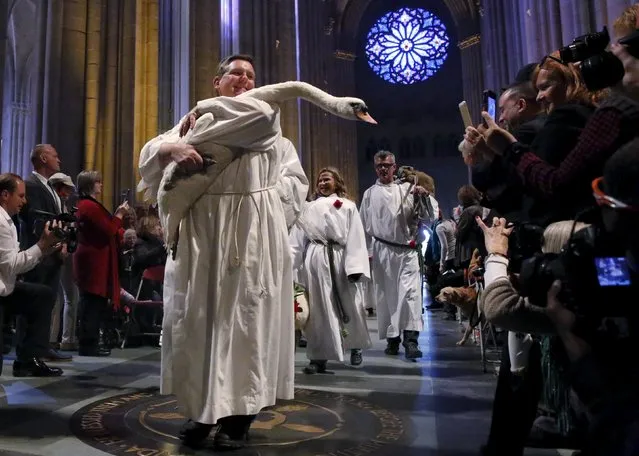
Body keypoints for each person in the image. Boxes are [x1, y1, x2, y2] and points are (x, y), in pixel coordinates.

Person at [137, 54, 309, 450]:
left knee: (246, 325)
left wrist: (259, 209)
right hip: (201, 237)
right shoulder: (195, 122)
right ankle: (201, 411)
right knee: (200, 323)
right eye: (236, 73)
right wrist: (172, 151)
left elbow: (295, 186)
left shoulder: (275, 135)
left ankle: (238, 418)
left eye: (251, 75)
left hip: (251, 240)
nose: (244, 80)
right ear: (217, 83)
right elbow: (149, 154)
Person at [290, 167, 371, 372]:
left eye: (327, 179)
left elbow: (356, 237)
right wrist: (289, 265)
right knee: (319, 309)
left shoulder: (347, 206)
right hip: (316, 258)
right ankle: (318, 358)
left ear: (337, 182)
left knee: (350, 304)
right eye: (319, 181)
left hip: (340, 257)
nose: (322, 184)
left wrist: (355, 267)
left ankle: (355, 346)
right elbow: (298, 240)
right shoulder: (307, 208)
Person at [359, 151, 432, 360]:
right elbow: (364, 226)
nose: (383, 169)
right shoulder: (369, 194)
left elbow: (428, 217)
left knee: (410, 295)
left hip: (407, 251)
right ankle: (393, 340)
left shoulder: (407, 189)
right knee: (388, 297)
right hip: (382, 252)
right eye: (380, 165)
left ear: (394, 167)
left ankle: (411, 341)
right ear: (375, 168)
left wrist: (422, 195)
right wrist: (366, 253)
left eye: (387, 165)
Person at [0, 173, 64, 376]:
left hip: (6, 287)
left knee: (42, 296)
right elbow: (12, 265)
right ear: (5, 195)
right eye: (20, 196)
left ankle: (28, 359)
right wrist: (41, 245)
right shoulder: (1, 223)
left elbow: (13, 263)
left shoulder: (8, 221)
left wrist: (45, 250)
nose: (24, 201)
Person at [19, 144, 71, 361]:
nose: (59, 160)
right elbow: (37, 220)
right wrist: (56, 245)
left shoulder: (49, 186)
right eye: (55, 156)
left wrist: (64, 244)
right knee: (34, 303)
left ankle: (41, 347)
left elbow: (58, 219)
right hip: (39, 252)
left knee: (48, 302)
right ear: (42, 158)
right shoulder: (31, 185)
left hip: (53, 253)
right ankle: (29, 351)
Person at [73, 171, 129, 357]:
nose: (101, 185)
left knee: (93, 302)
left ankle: (91, 342)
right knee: (91, 302)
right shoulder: (89, 206)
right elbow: (109, 229)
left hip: (96, 258)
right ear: (90, 184)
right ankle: (88, 344)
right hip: (93, 260)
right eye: (98, 182)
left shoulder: (89, 205)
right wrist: (120, 214)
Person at [48, 172, 79, 350]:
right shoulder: (56, 204)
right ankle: (57, 339)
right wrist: (63, 245)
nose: (68, 192)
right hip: (57, 252)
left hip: (62, 252)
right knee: (64, 297)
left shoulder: (62, 205)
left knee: (67, 297)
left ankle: (65, 338)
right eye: (66, 188)